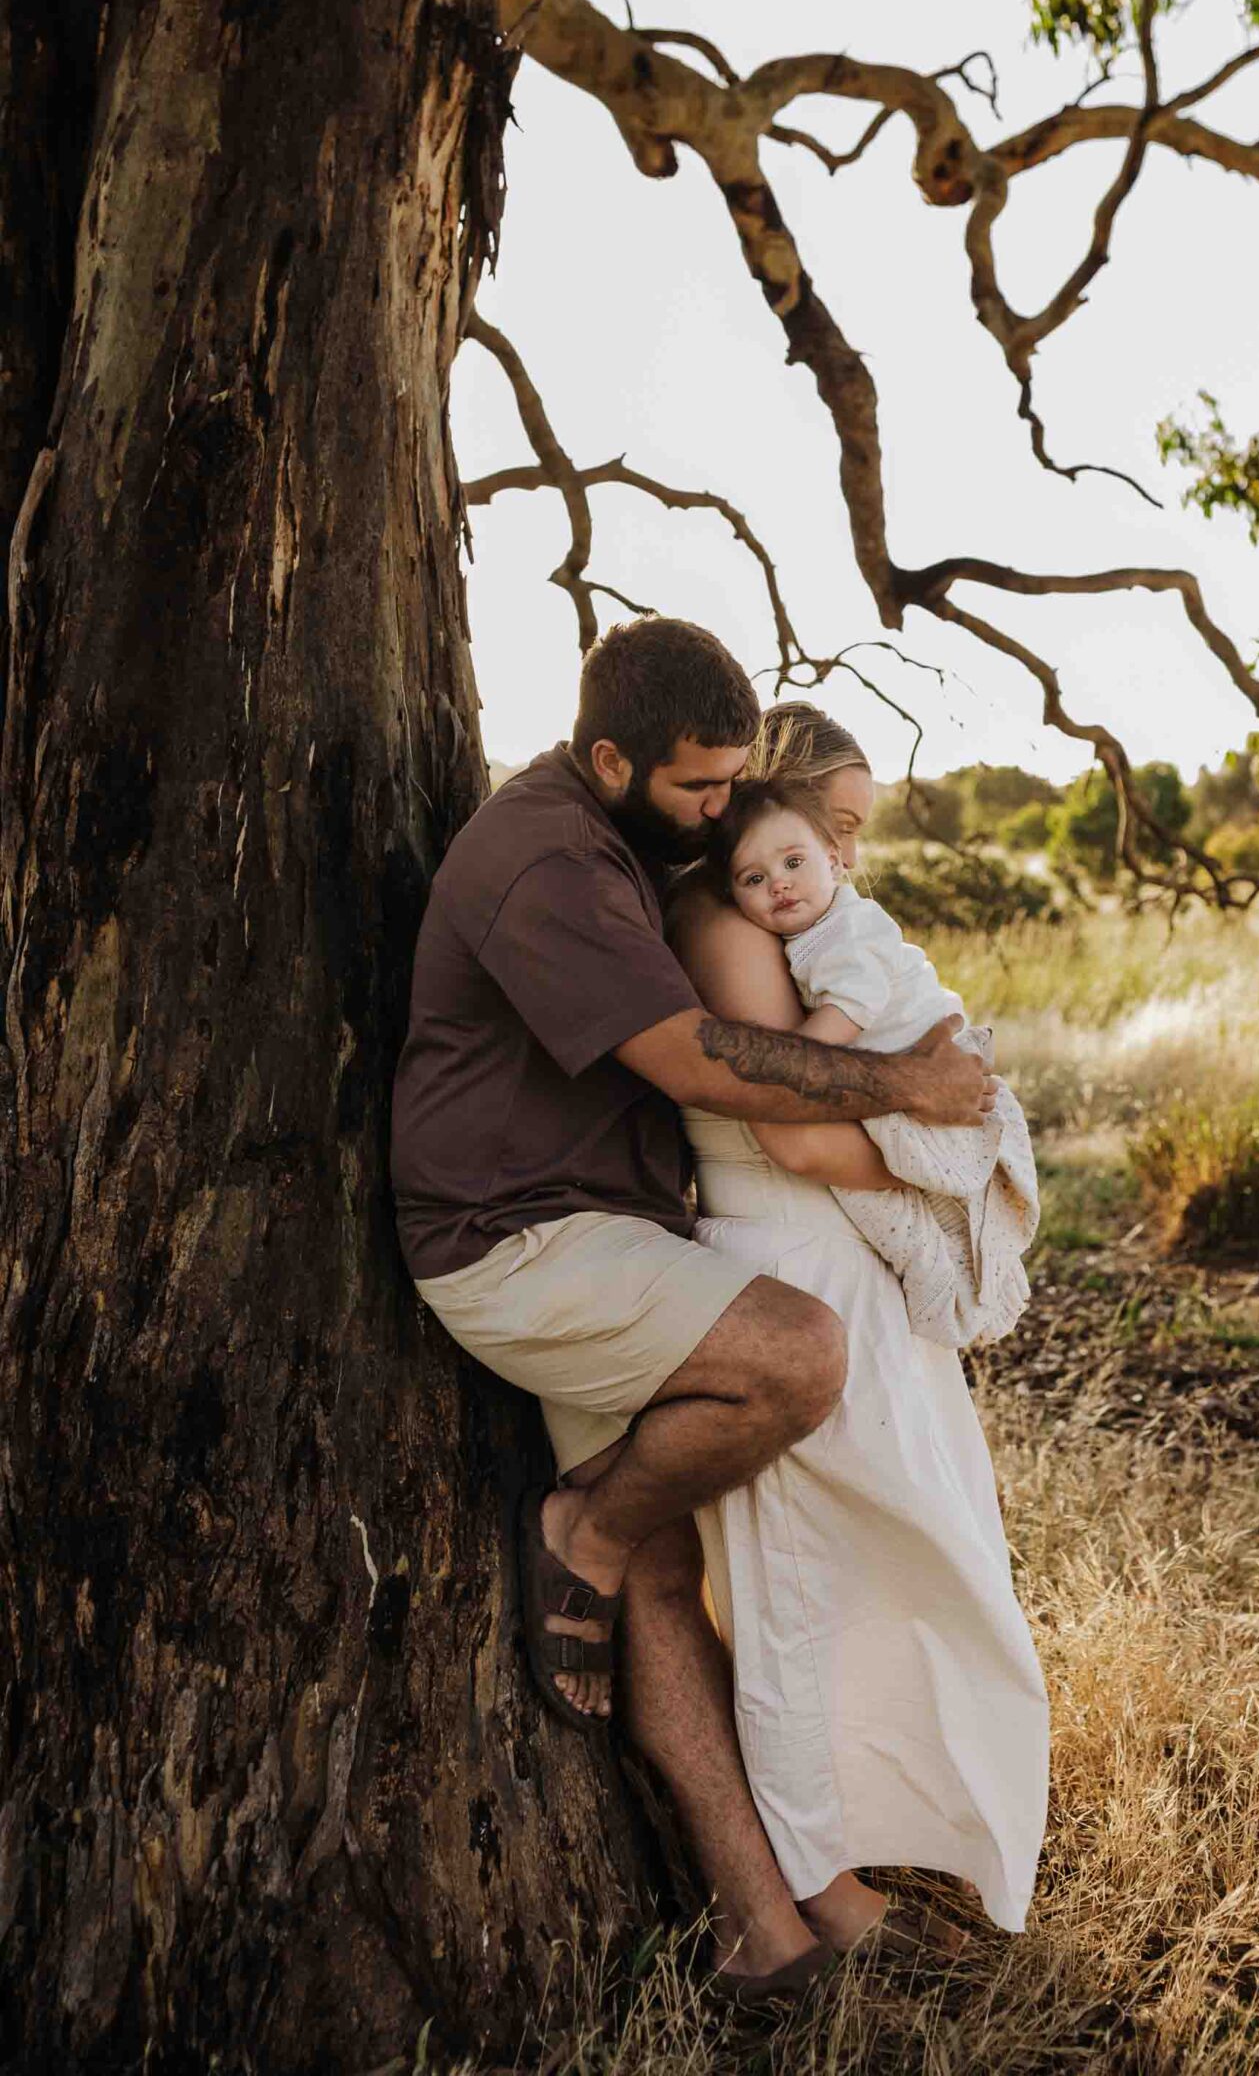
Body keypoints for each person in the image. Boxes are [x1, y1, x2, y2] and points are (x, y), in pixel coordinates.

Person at [389, 624, 994, 2001]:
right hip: (516, 1241)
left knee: (663, 1577)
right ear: (609, 758)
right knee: (797, 1355)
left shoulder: (622, 846)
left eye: (734, 788)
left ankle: (765, 1929)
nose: (724, 813)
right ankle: (576, 1527)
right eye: (699, 790)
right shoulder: (547, 861)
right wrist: (906, 1085)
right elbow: (698, 1062)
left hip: (599, 1232)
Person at [669, 704, 1050, 1958]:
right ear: (773, 802)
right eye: (831, 824)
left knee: (899, 1554)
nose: (842, 855)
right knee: (797, 1580)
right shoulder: (731, 924)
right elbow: (783, 1119)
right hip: (786, 1258)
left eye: (851, 839)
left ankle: (883, 1827)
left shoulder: (804, 918)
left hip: (828, 1256)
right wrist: (936, 1168)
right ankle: (818, 1881)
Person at [706, 773, 1037, 1345]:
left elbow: (850, 1009)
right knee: (908, 1225)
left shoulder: (849, 927)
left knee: (929, 1213)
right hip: (893, 1076)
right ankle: (942, 1278)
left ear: (832, 862)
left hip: (916, 1058)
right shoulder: (790, 933)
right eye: (754, 878)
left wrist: (793, 1061)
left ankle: (956, 1282)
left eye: (793, 864)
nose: (779, 886)